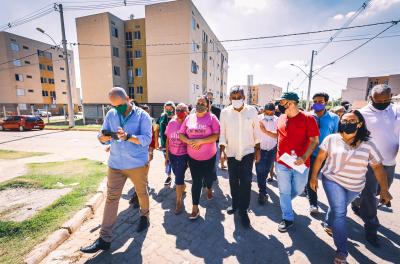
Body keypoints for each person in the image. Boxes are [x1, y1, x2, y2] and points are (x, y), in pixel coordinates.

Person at [310, 110, 392, 264]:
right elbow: (320, 157)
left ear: (359, 124)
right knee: (340, 212)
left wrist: (385, 190)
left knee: (337, 207)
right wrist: (313, 177)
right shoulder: (331, 139)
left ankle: (328, 222)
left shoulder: (368, 145)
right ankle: (342, 251)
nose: (347, 123)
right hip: (332, 180)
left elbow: (378, 167)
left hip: (355, 186)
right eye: (344, 120)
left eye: (352, 121)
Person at [81, 87, 152, 253]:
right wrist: (102, 138)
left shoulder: (143, 116)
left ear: (127, 98)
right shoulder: (111, 114)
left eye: (120, 105)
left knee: (141, 193)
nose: (117, 109)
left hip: (137, 165)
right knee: (111, 199)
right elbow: (102, 136)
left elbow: (147, 139)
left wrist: (128, 137)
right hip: (115, 165)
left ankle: (144, 216)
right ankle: (104, 239)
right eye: (114, 106)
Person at [351, 84, 400, 246]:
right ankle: (371, 227)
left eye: (387, 100)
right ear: (371, 98)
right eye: (379, 101)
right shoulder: (362, 114)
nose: (383, 103)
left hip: (390, 161)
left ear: (391, 96)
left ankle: (357, 200)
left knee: (380, 191)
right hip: (369, 163)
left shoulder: (397, 110)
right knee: (371, 196)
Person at [275, 92, 319, 232]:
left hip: (300, 163)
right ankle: (287, 217)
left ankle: (285, 202)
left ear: (291, 103)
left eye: (282, 102)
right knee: (284, 191)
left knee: (299, 189)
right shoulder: (281, 117)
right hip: (281, 162)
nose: (279, 106)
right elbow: (279, 136)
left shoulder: (308, 118)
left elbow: (314, 141)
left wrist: (304, 157)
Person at [219, 86, 261, 228]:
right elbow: (222, 133)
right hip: (231, 152)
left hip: (248, 152)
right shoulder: (225, 112)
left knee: (246, 182)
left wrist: (258, 150)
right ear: (230, 98)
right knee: (232, 181)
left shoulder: (252, 111)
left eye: (239, 97)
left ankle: (243, 211)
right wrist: (222, 151)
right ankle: (235, 204)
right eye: (234, 97)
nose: (236, 99)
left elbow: (256, 131)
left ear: (244, 97)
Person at [179, 96, 220, 220]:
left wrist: (200, 141)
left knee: (208, 178)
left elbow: (216, 136)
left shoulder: (212, 118)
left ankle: (209, 188)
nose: (200, 105)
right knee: (196, 181)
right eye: (198, 103)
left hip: (209, 157)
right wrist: (189, 141)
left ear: (208, 106)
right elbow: (181, 134)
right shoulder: (189, 118)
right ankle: (195, 208)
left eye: (203, 103)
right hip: (193, 158)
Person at [306, 92, 339, 214]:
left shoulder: (334, 118)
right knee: (311, 177)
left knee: (324, 180)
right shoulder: (307, 116)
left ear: (326, 102)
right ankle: (313, 204)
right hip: (310, 153)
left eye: (320, 101)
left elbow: (337, 136)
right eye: (315, 101)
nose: (317, 104)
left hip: (326, 155)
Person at [129, 104, 157, 207]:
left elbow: (153, 138)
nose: (145, 114)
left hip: (145, 154)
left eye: (147, 111)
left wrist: (151, 152)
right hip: (134, 154)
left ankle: (137, 199)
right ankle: (136, 196)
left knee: (142, 176)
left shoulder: (150, 122)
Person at [165, 103, 190, 214]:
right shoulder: (171, 123)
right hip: (172, 155)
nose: (179, 111)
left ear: (187, 111)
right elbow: (168, 140)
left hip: (184, 155)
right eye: (178, 109)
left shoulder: (189, 124)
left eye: (182, 110)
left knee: (178, 177)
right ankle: (183, 186)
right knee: (177, 174)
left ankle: (178, 202)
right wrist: (167, 156)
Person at [256, 103, 278, 205]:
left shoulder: (277, 120)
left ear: (274, 112)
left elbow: (277, 135)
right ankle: (262, 192)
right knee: (260, 171)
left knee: (266, 170)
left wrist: (265, 131)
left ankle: (262, 186)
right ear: (263, 111)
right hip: (259, 149)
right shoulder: (257, 119)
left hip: (272, 150)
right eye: (267, 113)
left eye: (271, 113)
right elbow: (253, 134)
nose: (269, 115)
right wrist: (256, 150)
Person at [157, 101, 176, 186]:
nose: (168, 110)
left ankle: (178, 177)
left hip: (175, 143)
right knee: (167, 160)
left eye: (170, 108)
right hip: (164, 143)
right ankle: (169, 176)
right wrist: (156, 142)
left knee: (175, 161)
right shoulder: (162, 117)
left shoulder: (176, 117)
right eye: (166, 108)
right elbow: (156, 128)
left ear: (173, 108)